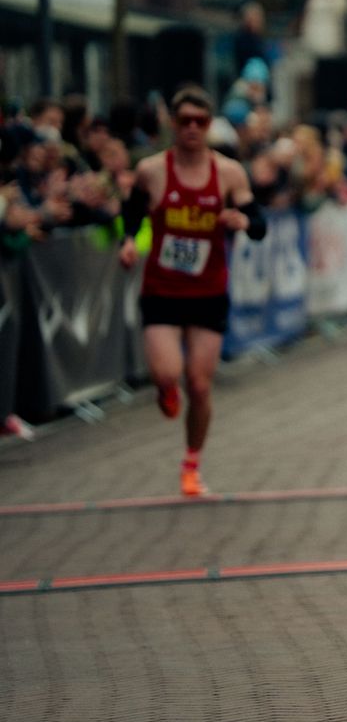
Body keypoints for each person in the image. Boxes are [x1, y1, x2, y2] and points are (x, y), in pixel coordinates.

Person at [115, 85, 267, 498]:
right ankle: (166, 389)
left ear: (210, 124)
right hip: (162, 290)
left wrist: (242, 222)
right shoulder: (153, 170)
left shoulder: (229, 172)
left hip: (207, 291)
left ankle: (191, 464)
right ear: (173, 124)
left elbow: (259, 222)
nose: (193, 129)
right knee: (168, 374)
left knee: (200, 384)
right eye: (185, 122)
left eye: (201, 122)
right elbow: (132, 211)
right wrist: (128, 241)